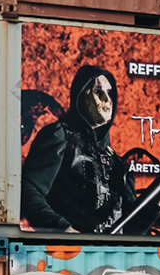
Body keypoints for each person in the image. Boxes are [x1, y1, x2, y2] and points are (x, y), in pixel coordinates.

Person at [21, 65, 138, 233]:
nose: (107, 99)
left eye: (110, 93)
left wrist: (158, 201)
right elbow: (29, 191)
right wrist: (64, 230)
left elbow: (133, 229)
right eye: (98, 92)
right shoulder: (60, 136)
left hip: (110, 257)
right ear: (80, 96)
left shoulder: (117, 163)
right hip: (66, 255)